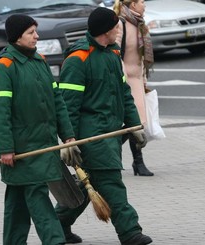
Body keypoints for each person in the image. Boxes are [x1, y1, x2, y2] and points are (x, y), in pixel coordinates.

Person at [55, 7, 153, 245]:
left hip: (110, 133)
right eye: (116, 27)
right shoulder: (79, 60)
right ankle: (130, 233)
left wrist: (134, 126)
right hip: (92, 136)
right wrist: (69, 140)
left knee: (86, 186)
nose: (119, 30)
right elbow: (67, 106)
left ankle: (57, 225)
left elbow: (124, 94)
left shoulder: (111, 54)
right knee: (110, 183)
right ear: (107, 31)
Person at [0, 14, 78, 245]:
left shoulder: (40, 61)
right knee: (37, 196)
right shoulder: (3, 68)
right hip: (22, 149)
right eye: (31, 32)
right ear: (17, 37)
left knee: (17, 200)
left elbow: (57, 101)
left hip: (43, 144)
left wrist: (67, 135)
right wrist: (6, 148)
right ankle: (55, 240)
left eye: (35, 31)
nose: (36, 36)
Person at [113, 0, 154, 177]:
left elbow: (141, 57)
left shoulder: (140, 24)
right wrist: (122, 79)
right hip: (125, 80)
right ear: (133, 5)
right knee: (134, 123)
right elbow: (115, 53)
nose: (145, 5)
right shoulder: (121, 23)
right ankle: (111, 153)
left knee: (137, 124)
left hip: (137, 79)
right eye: (142, 2)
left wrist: (144, 80)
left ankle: (137, 162)